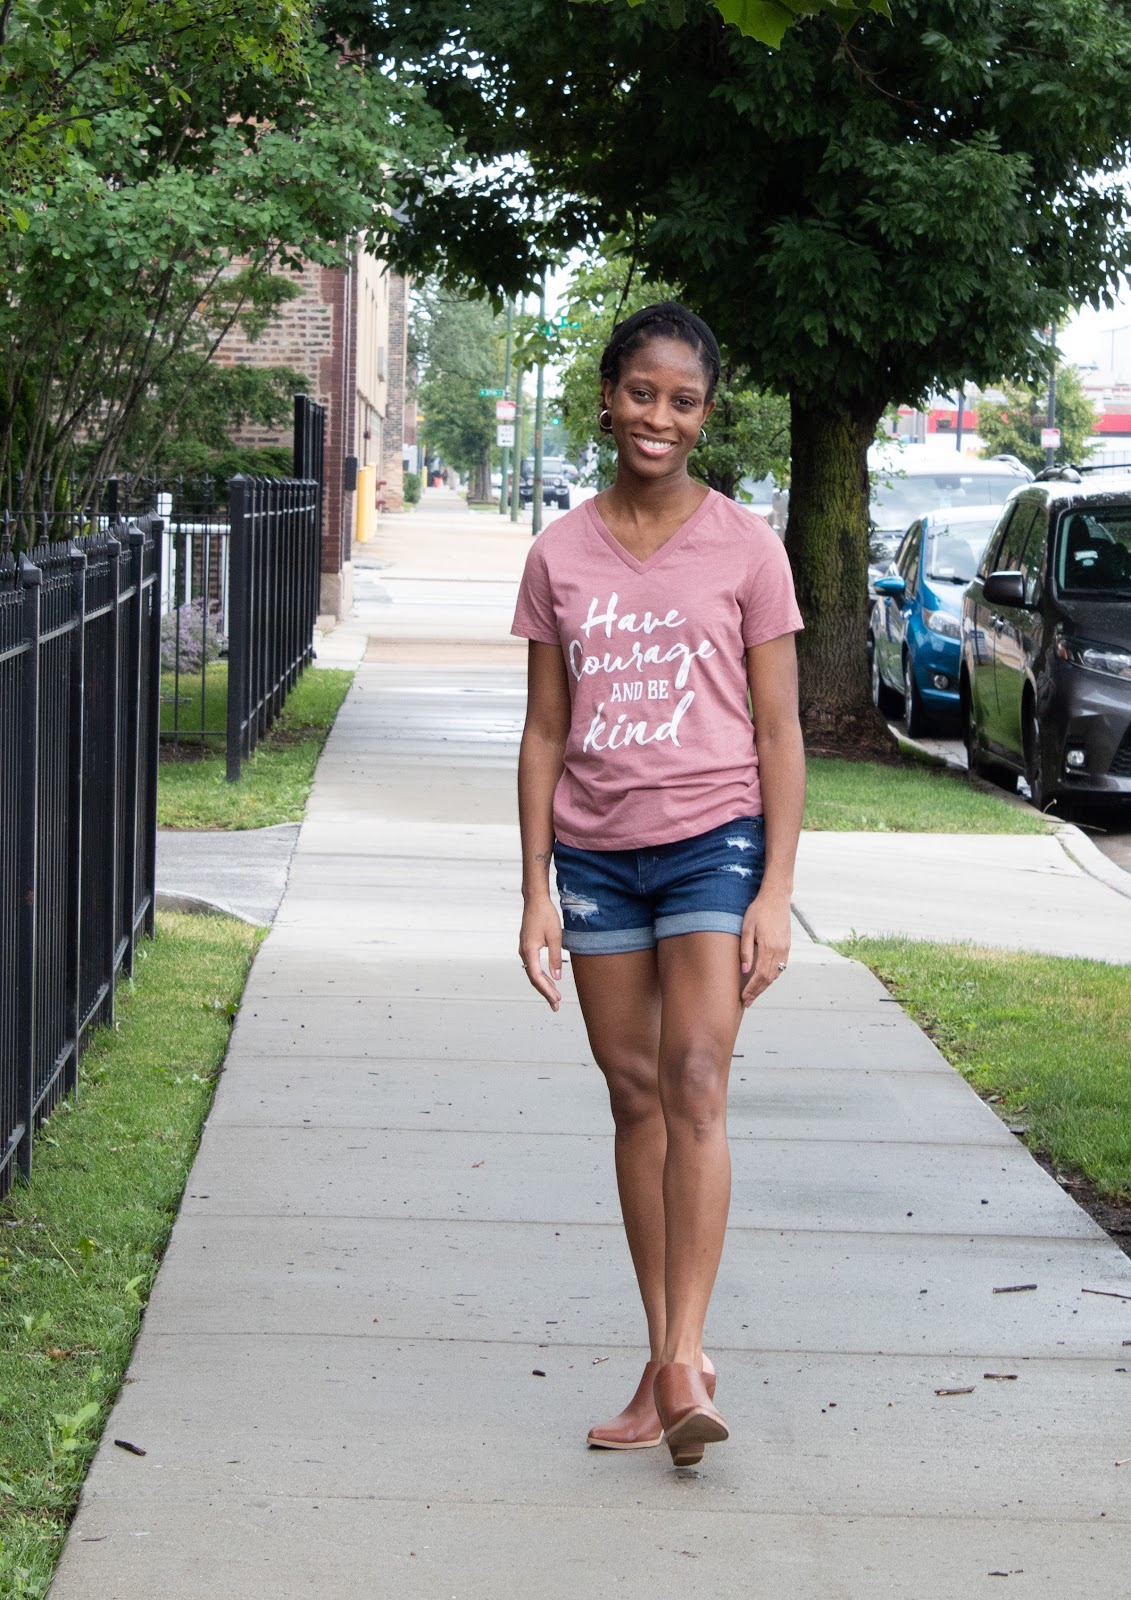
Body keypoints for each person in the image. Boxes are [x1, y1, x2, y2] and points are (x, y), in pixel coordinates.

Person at [512, 302, 805, 1469]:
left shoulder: (748, 547)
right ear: (607, 397)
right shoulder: (559, 554)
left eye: (684, 401)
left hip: (712, 839)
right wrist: (534, 887)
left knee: (694, 1077)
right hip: (594, 852)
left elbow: (779, 730)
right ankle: (662, 1363)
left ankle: (686, 1356)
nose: (660, 417)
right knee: (634, 1092)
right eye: (643, 393)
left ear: (706, 415)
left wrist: (776, 890)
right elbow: (545, 730)